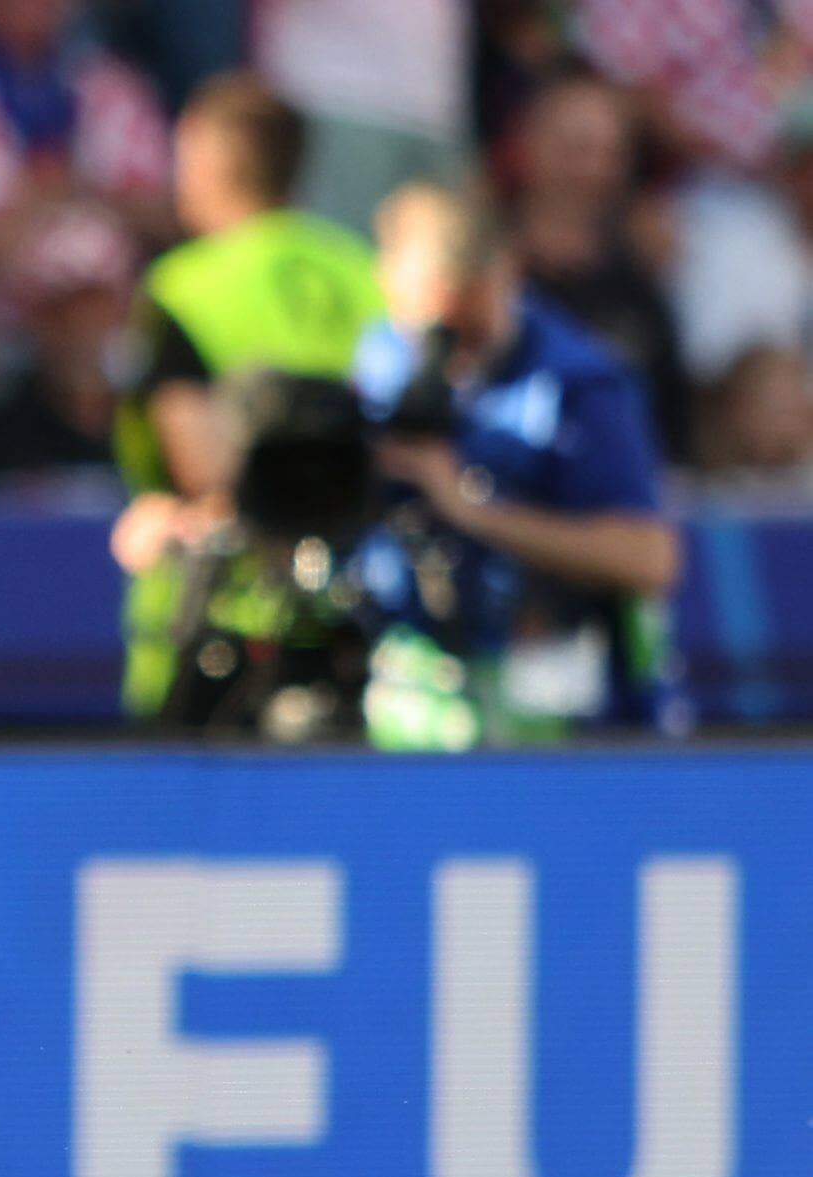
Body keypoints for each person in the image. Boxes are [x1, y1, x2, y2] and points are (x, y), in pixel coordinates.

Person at [352, 181, 684, 740]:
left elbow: (650, 558)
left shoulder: (579, 385)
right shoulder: (380, 359)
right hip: (418, 689)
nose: (445, 348)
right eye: (428, 325)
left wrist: (472, 508)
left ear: (502, 274)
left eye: (462, 324)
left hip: (561, 702)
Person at [107, 73, 382, 716]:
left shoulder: (184, 288)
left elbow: (198, 463)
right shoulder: (364, 272)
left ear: (208, 162)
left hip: (222, 623)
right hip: (352, 605)